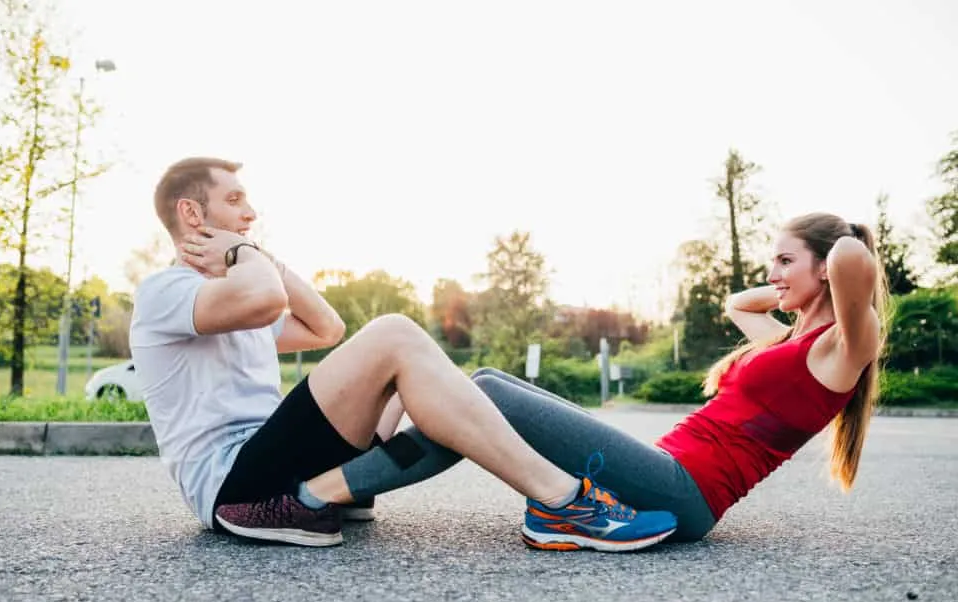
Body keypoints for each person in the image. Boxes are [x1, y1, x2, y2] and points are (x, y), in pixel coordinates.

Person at [129, 157, 677, 553]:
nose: (250, 211)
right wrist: (245, 254)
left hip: (271, 457)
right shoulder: (166, 294)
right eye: (233, 200)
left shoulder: (240, 299)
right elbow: (265, 296)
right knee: (393, 334)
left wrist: (259, 254)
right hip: (232, 485)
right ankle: (562, 503)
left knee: (400, 372)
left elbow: (326, 327)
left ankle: (338, 493)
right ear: (191, 214)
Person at [300, 212, 888, 543]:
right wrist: (795, 282)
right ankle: (346, 490)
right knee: (477, 382)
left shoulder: (840, 349)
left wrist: (837, 251)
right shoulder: (789, 342)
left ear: (826, 265)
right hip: (660, 471)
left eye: (785, 260)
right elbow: (740, 304)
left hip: (683, 496)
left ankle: (316, 495)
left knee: (480, 396)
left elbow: (849, 263)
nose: (773, 273)